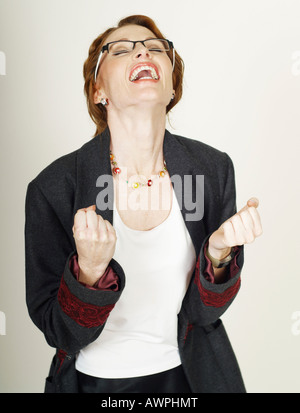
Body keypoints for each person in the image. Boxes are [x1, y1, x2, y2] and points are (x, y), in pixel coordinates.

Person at [25, 15, 262, 393]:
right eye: (120, 50)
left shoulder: (211, 169)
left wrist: (217, 256)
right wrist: (88, 271)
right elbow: (60, 332)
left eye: (155, 48)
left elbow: (205, 314)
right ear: (98, 89)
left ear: (171, 87)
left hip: (190, 379)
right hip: (94, 385)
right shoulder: (53, 187)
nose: (141, 51)